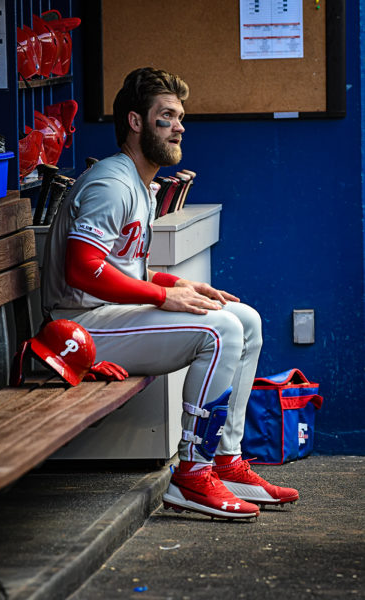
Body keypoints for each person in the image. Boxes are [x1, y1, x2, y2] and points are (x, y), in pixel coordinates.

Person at [41, 67, 299, 520]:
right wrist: (164, 299)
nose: (179, 127)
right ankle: (193, 474)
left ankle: (226, 461)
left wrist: (175, 284)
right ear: (136, 122)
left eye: (180, 117)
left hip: (106, 318)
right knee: (218, 332)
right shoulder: (111, 184)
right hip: (74, 334)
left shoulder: (138, 182)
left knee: (246, 320)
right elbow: (83, 271)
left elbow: (121, 266)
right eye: (167, 117)